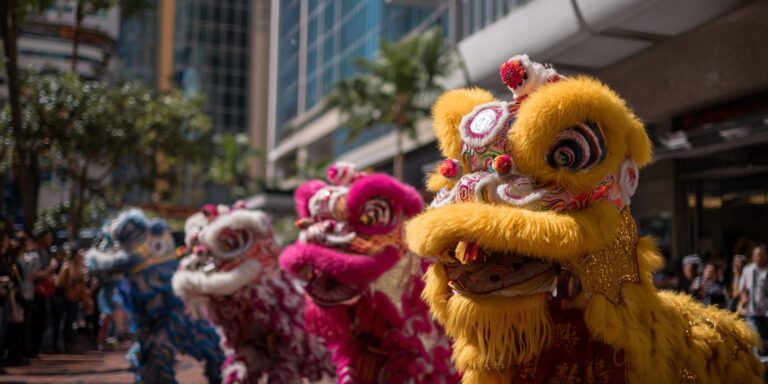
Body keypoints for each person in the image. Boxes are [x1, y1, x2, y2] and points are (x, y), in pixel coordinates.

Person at [59, 246, 89, 353]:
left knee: (72, 320)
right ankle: (67, 344)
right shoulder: (67, 266)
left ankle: (70, 342)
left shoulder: (79, 265)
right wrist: (76, 281)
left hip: (76, 296)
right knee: (69, 321)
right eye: (78, 254)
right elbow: (62, 282)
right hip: (69, 296)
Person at [739, 243, 768, 354]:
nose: (758, 257)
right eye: (756, 255)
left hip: (766, 313)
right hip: (753, 313)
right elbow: (742, 289)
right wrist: (743, 298)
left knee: (765, 343)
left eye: (760, 255)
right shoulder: (748, 270)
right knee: (757, 343)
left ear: (765, 256)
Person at [48, 246, 67, 352]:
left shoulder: (64, 265)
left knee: (60, 322)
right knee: (56, 322)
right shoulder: (53, 265)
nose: (60, 256)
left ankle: (59, 344)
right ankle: (55, 345)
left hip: (63, 296)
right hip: (55, 297)